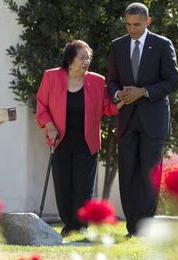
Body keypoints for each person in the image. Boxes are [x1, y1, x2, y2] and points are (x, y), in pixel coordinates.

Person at [36, 40, 124, 236]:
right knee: (63, 186)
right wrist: (49, 126)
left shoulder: (97, 81)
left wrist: (121, 102)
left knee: (83, 188)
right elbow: (42, 106)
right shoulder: (51, 77)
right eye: (82, 58)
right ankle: (69, 224)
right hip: (60, 141)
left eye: (89, 58)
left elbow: (106, 107)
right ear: (70, 59)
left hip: (86, 143)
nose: (87, 62)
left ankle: (80, 226)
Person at [107, 3, 178, 236]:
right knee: (127, 173)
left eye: (136, 25)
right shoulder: (117, 46)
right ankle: (132, 226)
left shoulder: (162, 44)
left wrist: (143, 91)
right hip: (127, 120)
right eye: (128, 24)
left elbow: (171, 82)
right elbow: (112, 81)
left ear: (148, 21)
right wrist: (119, 94)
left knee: (149, 175)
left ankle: (145, 227)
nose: (132, 29)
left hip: (153, 120)